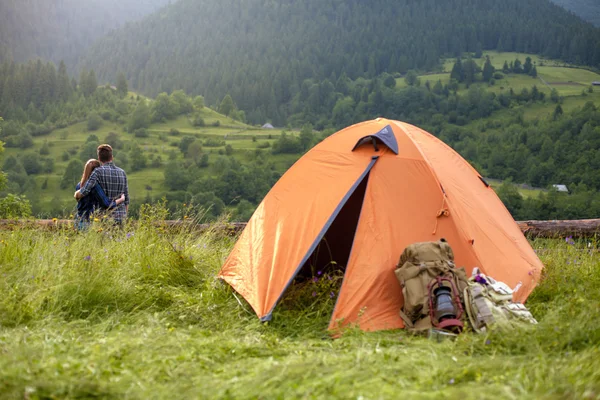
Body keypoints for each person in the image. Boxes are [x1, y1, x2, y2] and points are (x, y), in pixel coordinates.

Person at [75, 144, 130, 224]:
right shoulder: (122, 172)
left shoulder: (97, 172)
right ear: (112, 157)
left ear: (99, 158)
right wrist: (124, 216)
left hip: (104, 218)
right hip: (121, 216)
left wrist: (76, 194)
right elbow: (127, 198)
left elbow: (85, 190)